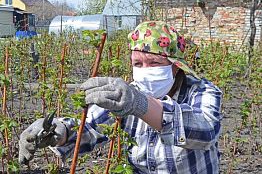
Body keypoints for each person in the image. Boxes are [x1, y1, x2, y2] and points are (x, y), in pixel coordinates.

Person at [19, 21, 222, 173]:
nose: (145, 71)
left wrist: (141, 105)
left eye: (154, 63)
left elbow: (205, 131)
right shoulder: (129, 93)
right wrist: (58, 132)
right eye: (138, 64)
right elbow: (89, 129)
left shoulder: (201, 91)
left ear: (176, 67)